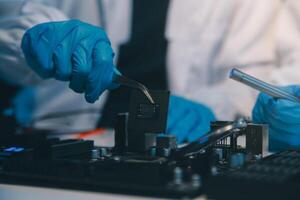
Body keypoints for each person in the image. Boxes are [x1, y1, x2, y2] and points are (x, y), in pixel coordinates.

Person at [1, 0, 300, 148]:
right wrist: (31, 38)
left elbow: (280, 70)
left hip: (188, 146)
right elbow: (13, 17)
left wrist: (218, 108)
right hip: (63, 139)